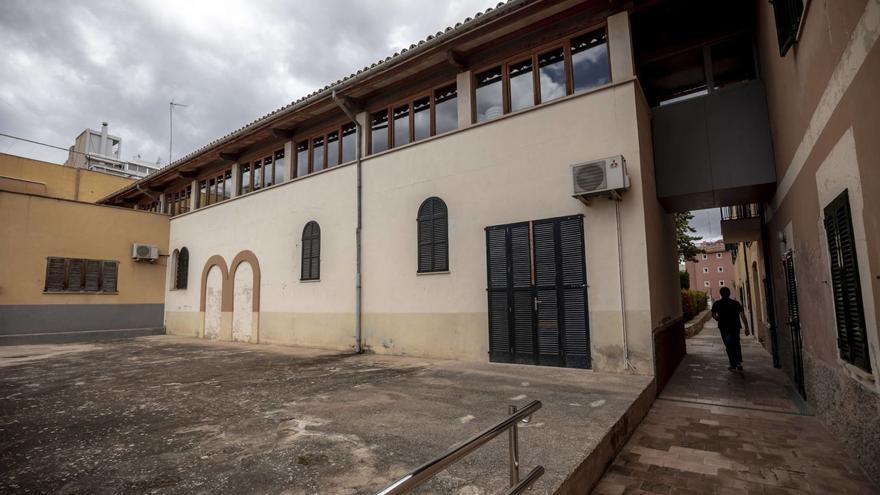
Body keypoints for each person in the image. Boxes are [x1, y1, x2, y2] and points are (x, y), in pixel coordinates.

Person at [711, 287, 750, 371]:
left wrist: (718, 319)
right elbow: (742, 315)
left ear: (720, 294)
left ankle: (733, 364)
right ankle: (738, 362)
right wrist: (747, 327)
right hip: (735, 327)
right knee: (736, 343)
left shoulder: (717, 303)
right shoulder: (736, 303)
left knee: (728, 345)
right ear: (729, 293)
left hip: (724, 328)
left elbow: (713, 314)